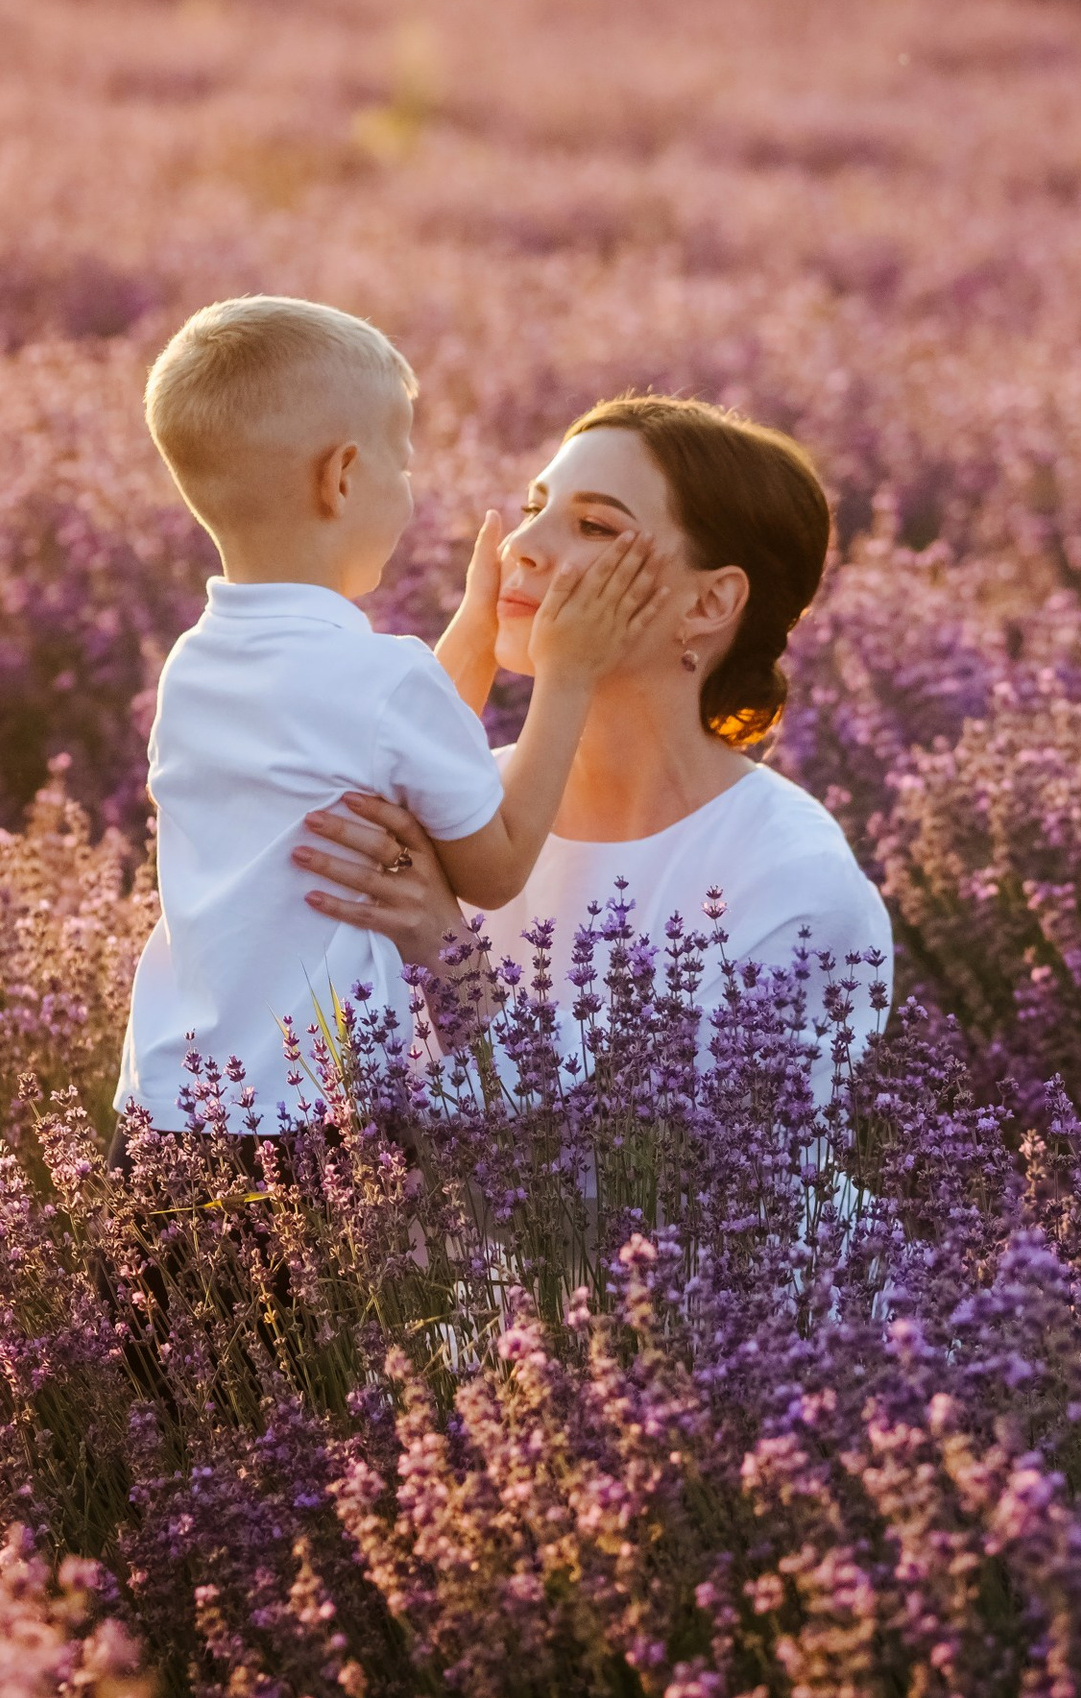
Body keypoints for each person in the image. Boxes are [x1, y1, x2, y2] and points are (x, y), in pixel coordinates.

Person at [113, 298, 671, 1135]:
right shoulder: (384, 680)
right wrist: (567, 674)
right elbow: (494, 869)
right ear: (341, 477)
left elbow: (387, 745)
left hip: (163, 1110)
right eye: (401, 467)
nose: (410, 496)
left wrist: (480, 630)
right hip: (309, 1130)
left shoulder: (195, 665)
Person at [291, 394, 892, 1070]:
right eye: (532, 509)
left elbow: (708, 1168)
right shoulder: (457, 801)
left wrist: (450, 959)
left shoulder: (793, 880)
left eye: (594, 526)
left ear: (708, 602)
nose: (522, 546)